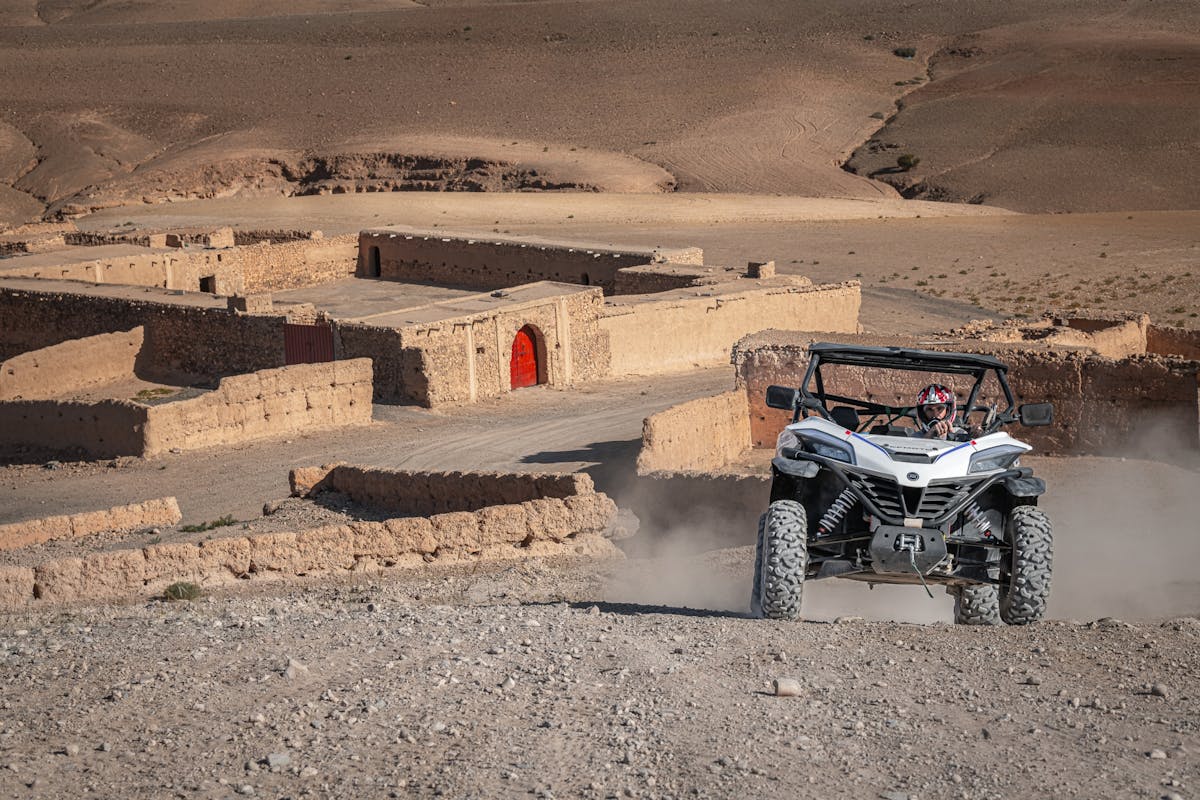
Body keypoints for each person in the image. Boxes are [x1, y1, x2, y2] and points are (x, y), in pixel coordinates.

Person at [915, 384, 980, 440]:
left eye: (940, 408)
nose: (935, 414)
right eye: (929, 409)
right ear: (922, 413)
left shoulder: (960, 433)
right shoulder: (915, 438)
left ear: (948, 410)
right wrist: (928, 436)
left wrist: (952, 437)